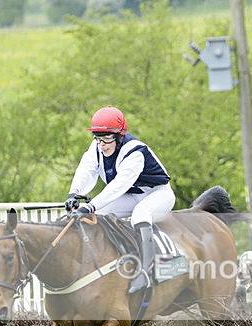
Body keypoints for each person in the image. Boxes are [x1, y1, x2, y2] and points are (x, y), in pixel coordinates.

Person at [65, 105, 175, 294]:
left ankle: (146, 271)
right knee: (98, 215)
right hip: (132, 195)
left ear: (120, 135)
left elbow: (117, 187)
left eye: (107, 138)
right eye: (98, 138)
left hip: (158, 194)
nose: (103, 144)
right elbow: (86, 170)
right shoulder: (97, 147)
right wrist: (73, 194)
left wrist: (90, 206)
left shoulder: (135, 152)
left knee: (140, 214)